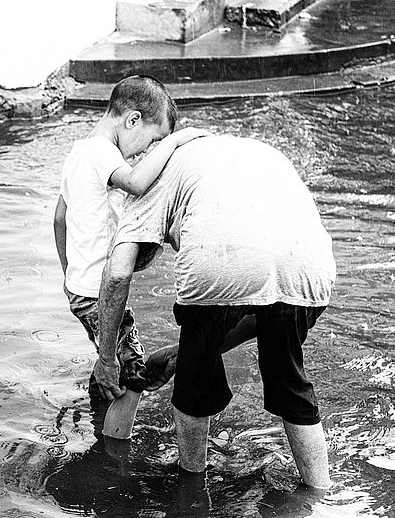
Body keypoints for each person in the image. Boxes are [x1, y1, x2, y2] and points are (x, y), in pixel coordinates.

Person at [93, 135, 337, 488]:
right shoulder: (247, 153)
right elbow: (261, 300)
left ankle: (192, 492)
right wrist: (185, 351)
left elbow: (116, 274)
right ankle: (319, 495)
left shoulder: (147, 180)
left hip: (220, 252)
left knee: (193, 385)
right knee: (288, 378)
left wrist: (107, 359)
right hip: (310, 266)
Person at [54, 75, 206, 440]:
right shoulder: (102, 151)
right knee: (132, 372)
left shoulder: (78, 152)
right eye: (151, 140)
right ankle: (112, 453)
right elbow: (137, 182)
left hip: (80, 287)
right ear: (132, 120)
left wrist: (69, 274)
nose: (144, 152)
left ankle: (96, 412)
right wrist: (174, 142)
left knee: (115, 362)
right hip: (96, 292)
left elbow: (59, 218)